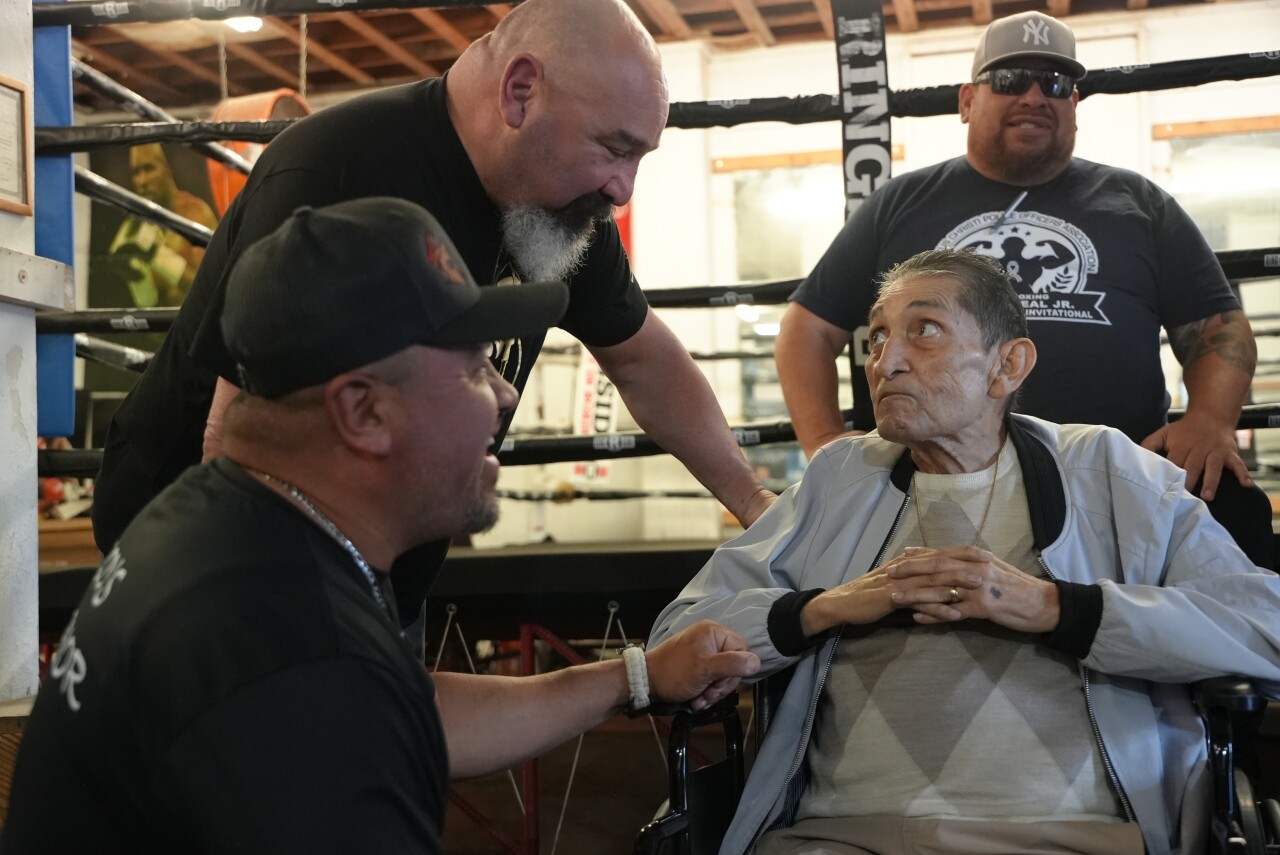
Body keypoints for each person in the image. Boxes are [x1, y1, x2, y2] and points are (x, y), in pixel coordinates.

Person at [2, 198, 761, 854]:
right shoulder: (303, 673)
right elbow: (341, 704)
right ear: (364, 411)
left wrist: (634, 676)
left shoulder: (225, 522)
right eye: (472, 368)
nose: (503, 395)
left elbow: (405, 703)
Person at [91, 0, 776, 632]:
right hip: (210, 559)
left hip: (381, 565)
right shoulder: (339, 174)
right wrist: (283, 650)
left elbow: (642, 356)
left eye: (640, 154)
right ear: (520, 92)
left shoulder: (563, 211)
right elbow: (233, 436)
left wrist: (756, 505)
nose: (623, 187)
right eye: (614, 147)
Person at [650, 249, 1280, 855]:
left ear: (1007, 366)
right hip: (842, 837)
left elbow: (1266, 626)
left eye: (924, 330)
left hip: (1075, 837)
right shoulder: (838, 481)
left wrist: (1061, 608)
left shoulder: (1109, 473)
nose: (886, 361)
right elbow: (674, 644)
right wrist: (824, 608)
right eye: (874, 338)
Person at [775, 11, 1257, 508]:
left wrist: (1209, 420)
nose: (1033, 97)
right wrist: (823, 445)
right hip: (936, 486)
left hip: (1115, 484)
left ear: (1073, 103)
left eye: (1054, 82)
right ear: (967, 101)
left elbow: (1219, 328)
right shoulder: (901, 203)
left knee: (1236, 508)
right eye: (1008, 80)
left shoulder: (1140, 202)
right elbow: (805, 330)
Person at [107, 143, 219, 307]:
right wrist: (135, 277)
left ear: (168, 170)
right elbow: (148, 307)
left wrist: (156, 254)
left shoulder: (194, 214)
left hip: (198, 327)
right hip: (163, 329)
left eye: (149, 168)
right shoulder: (136, 226)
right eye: (136, 172)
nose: (142, 181)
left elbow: (209, 289)